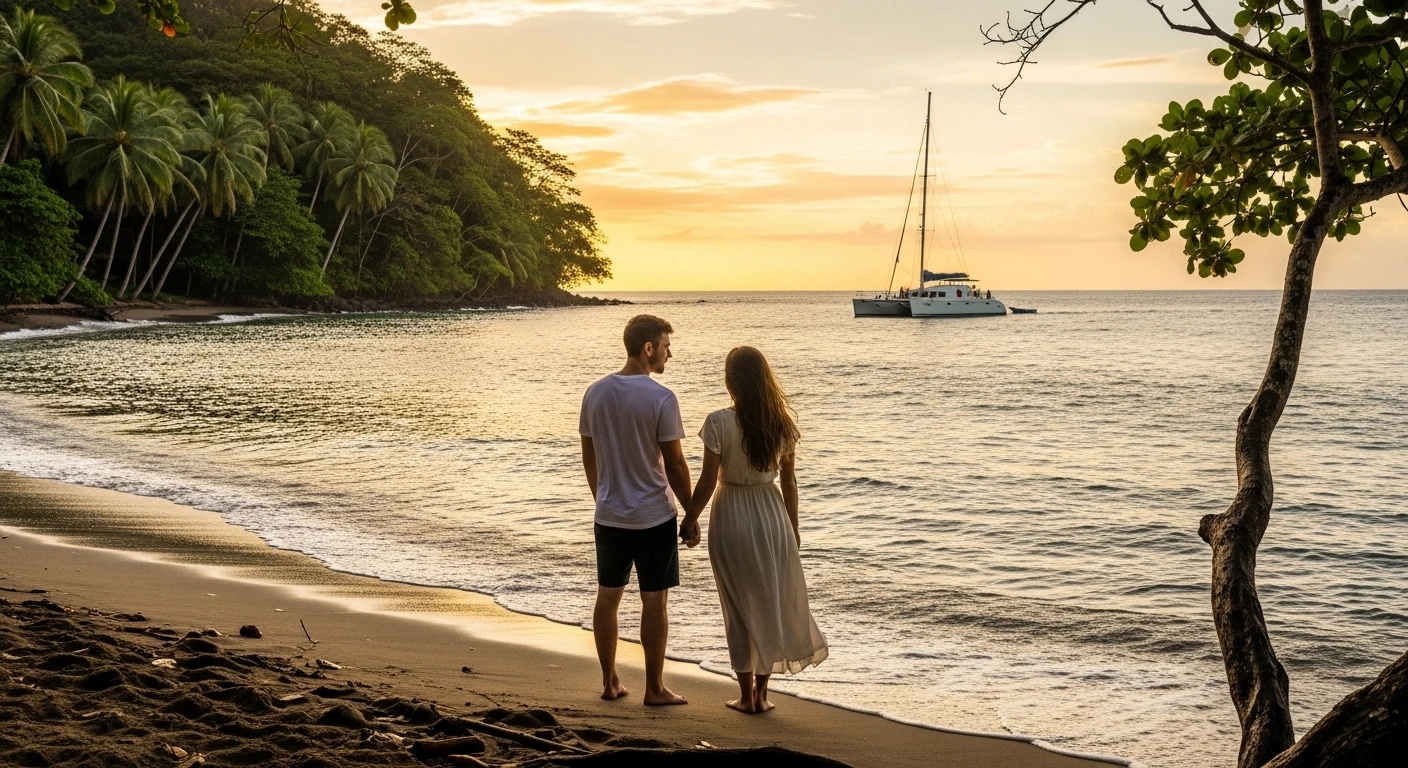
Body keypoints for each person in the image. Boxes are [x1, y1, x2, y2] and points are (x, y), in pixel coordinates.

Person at [680, 346, 828, 714]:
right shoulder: (783, 425)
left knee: (736, 606)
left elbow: (705, 483)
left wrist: (689, 518)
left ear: (731, 380)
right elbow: (790, 483)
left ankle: (745, 696)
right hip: (772, 515)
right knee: (769, 603)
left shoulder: (718, 422)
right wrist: (792, 530)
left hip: (731, 514)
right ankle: (761, 695)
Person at [579, 314, 692, 706]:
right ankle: (655, 688)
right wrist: (692, 513)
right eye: (665, 346)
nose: (669, 354)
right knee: (654, 599)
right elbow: (675, 464)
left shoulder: (594, 392)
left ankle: (610, 682)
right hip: (653, 516)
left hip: (609, 515)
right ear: (648, 349)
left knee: (608, 596)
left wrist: (604, 496)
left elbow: (588, 454)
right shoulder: (661, 397)